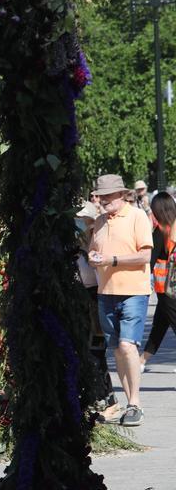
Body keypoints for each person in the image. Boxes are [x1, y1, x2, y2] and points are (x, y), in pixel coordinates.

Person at [88, 174, 153, 426]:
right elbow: (95, 250)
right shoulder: (100, 221)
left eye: (108, 196)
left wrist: (111, 260)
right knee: (116, 349)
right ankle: (129, 404)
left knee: (127, 346)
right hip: (106, 292)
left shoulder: (137, 216)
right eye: (100, 196)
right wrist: (94, 256)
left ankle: (136, 403)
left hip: (134, 291)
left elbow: (144, 256)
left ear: (122, 195)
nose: (103, 201)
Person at [75, 202, 121, 423]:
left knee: (96, 353)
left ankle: (108, 398)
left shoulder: (101, 242)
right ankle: (94, 396)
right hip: (81, 299)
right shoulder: (77, 244)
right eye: (82, 222)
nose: (84, 226)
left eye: (87, 221)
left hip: (98, 298)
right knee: (85, 352)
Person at [141, 193, 176, 372]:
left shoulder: (160, 231)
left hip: (167, 288)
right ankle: (142, 360)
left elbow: (150, 260)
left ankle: (141, 361)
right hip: (172, 287)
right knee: (160, 324)